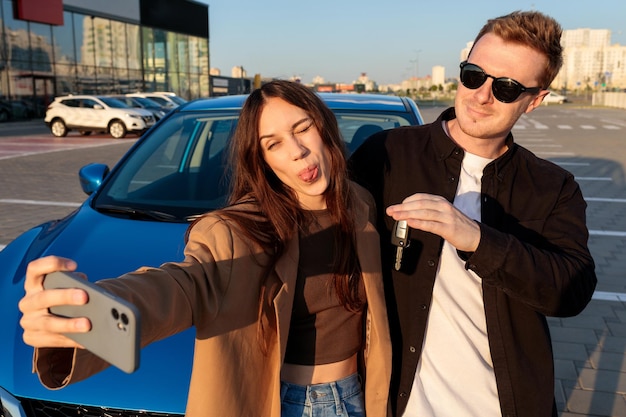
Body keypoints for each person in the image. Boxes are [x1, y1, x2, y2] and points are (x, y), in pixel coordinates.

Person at [18, 80, 391, 417]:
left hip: (362, 394)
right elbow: (178, 286)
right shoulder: (237, 230)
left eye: (302, 128)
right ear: (262, 160)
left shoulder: (359, 204)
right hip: (298, 405)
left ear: (323, 127)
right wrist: (89, 318)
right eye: (273, 144)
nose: (296, 152)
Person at [348, 10, 597, 417]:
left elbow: (571, 291)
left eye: (506, 87)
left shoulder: (553, 187)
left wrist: (478, 239)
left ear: (534, 101)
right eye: (473, 75)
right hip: (399, 403)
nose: (482, 95)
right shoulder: (387, 155)